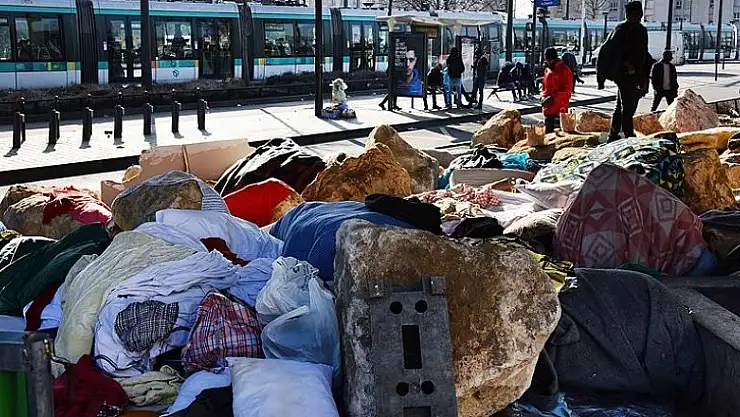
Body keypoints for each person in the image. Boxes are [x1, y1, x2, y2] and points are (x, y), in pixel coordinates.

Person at [599, 0, 649, 142]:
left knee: (621, 105)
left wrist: (643, 74)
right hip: (624, 74)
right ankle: (627, 134)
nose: (634, 17)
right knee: (627, 107)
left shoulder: (641, 30)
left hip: (635, 75)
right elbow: (611, 50)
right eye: (632, 15)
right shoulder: (621, 29)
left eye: (637, 15)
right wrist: (625, 63)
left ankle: (614, 134)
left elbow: (643, 53)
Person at [541, 47, 573, 133]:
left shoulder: (564, 70)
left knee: (557, 135)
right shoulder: (547, 70)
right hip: (548, 110)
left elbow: (567, 90)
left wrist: (553, 98)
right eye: (546, 60)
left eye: (549, 60)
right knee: (547, 135)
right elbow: (544, 87)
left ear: (554, 59)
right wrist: (542, 96)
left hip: (559, 110)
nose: (547, 62)